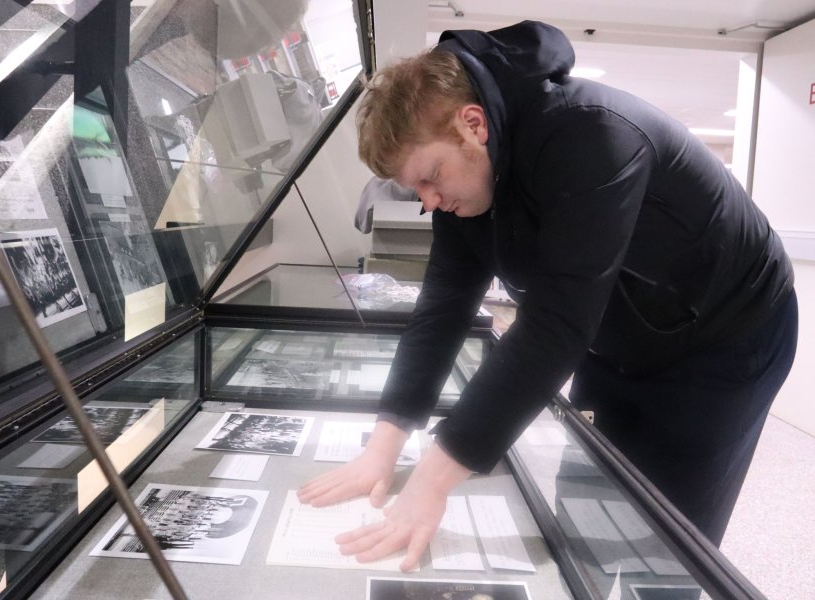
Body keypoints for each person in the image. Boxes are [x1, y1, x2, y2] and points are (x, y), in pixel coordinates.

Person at [297, 20, 798, 571]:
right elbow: (441, 309)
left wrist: (431, 481)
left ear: (472, 125)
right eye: (418, 189)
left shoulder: (592, 134)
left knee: (664, 531)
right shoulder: (466, 181)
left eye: (430, 177)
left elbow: (555, 324)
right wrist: (383, 443)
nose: (430, 201)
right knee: (590, 496)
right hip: (620, 330)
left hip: (729, 335)